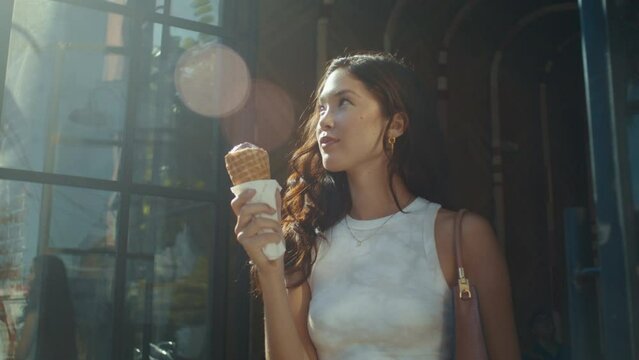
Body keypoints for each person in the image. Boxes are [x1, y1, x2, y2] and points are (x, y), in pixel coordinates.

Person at [231, 52, 520, 359]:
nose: (324, 120)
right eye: (322, 107)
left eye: (344, 102)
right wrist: (270, 269)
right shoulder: (308, 243)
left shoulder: (462, 236)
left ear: (396, 124)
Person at [14, 255, 78, 360]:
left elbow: (21, 354)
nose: (28, 277)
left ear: (43, 277)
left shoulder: (36, 309)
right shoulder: (66, 312)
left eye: (32, 272)